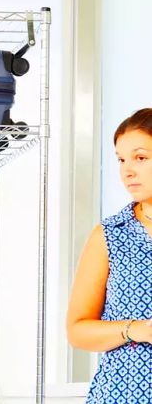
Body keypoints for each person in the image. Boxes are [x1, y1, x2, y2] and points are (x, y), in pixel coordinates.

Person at [67, 108, 152, 403]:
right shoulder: (109, 235)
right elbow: (77, 330)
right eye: (121, 160)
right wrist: (137, 330)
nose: (127, 170)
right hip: (121, 394)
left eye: (141, 158)